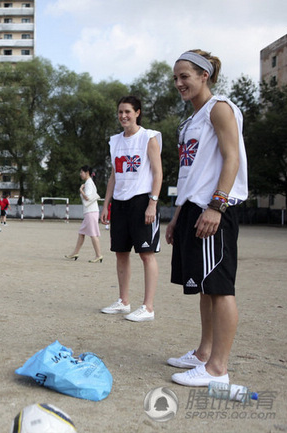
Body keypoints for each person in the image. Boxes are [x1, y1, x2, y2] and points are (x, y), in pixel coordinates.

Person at [166, 50, 248, 387]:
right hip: (193, 209)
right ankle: (203, 354)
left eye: (185, 76)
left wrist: (217, 206)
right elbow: (190, 174)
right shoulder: (191, 120)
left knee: (220, 287)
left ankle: (218, 370)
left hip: (215, 210)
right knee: (204, 287)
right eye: (175, 78)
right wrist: (177, 215)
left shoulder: (220, 108)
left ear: (205, 75)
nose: (179, 83)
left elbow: (232, 159)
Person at [100, 95, 163, 322]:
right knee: (121, 253)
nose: (123, 116)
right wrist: (106, 204)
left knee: (146, 255)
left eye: (127, 111)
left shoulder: (149, 137)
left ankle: (148, 307)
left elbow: (158, 173)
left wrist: (152, 203)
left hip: (141, 201)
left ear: (137, 112)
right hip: (120, 203)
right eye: (120, 112)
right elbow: (113, 176)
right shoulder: (115, 141)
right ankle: (123, 301)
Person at [65, 165, 102, 262]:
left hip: (91, 212)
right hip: (89, 212)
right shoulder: (89, 182)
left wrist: (81, 190)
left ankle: (98, 255)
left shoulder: (89, 183)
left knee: (93, 234)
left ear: (87, 173)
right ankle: (75, 252)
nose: (80, 174)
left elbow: (88, 197)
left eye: (81, 172)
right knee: (81, 233)